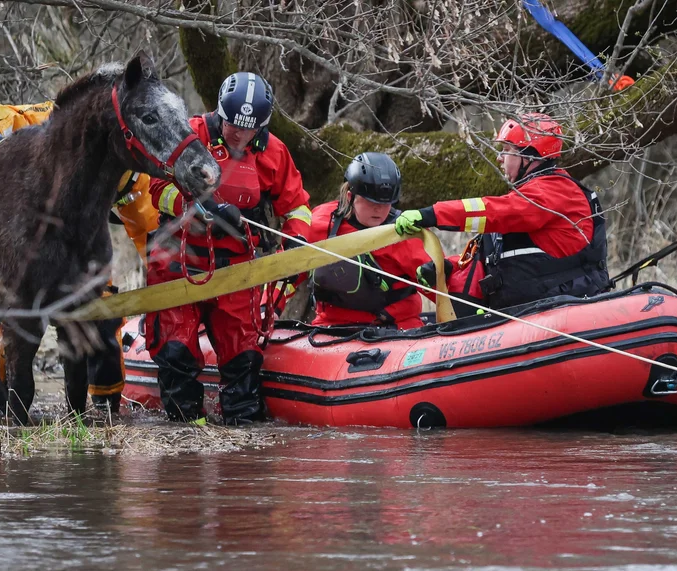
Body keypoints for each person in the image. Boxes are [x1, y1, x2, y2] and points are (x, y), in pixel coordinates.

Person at [0, 101, 158, 413]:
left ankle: (101, 410)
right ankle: (5, 407)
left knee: (103, 323)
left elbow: (151, 233)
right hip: (32, 246)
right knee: (16, 327)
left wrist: (170, 287)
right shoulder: (66, 122)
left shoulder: (135, 171)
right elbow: (13, 114)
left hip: (84, 254)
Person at [144, 72, 312, 426]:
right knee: (176, 352)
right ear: (219, 112)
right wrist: (199, 208)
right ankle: (184, 435)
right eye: (233, 124)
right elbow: (159, 188)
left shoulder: (274, 153)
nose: (238, 134)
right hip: (179, 263)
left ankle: (242, 448)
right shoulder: (188, 135)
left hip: (236, 270)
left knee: (243, 359)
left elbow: (297, 207)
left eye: (248, 129)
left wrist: (295, 245)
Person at [395, 112, 609, 311]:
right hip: (526, 312)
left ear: (529, 156)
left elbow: (495, 212)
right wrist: (447, 267)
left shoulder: (552, 192)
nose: (499, 158)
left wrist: (432, 214)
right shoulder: (533, 193)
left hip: (561, 310)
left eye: (507, 151)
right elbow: (487, 252)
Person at [302, 152, 430, 330]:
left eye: (385, 203)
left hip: (396, 328)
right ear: (350, 197)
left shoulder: (406, 234)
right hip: (331, 325)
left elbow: (440, 285)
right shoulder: (321, 222)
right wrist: (269, 310)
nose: (378, 209)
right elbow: (287, 272)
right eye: (370, 202)